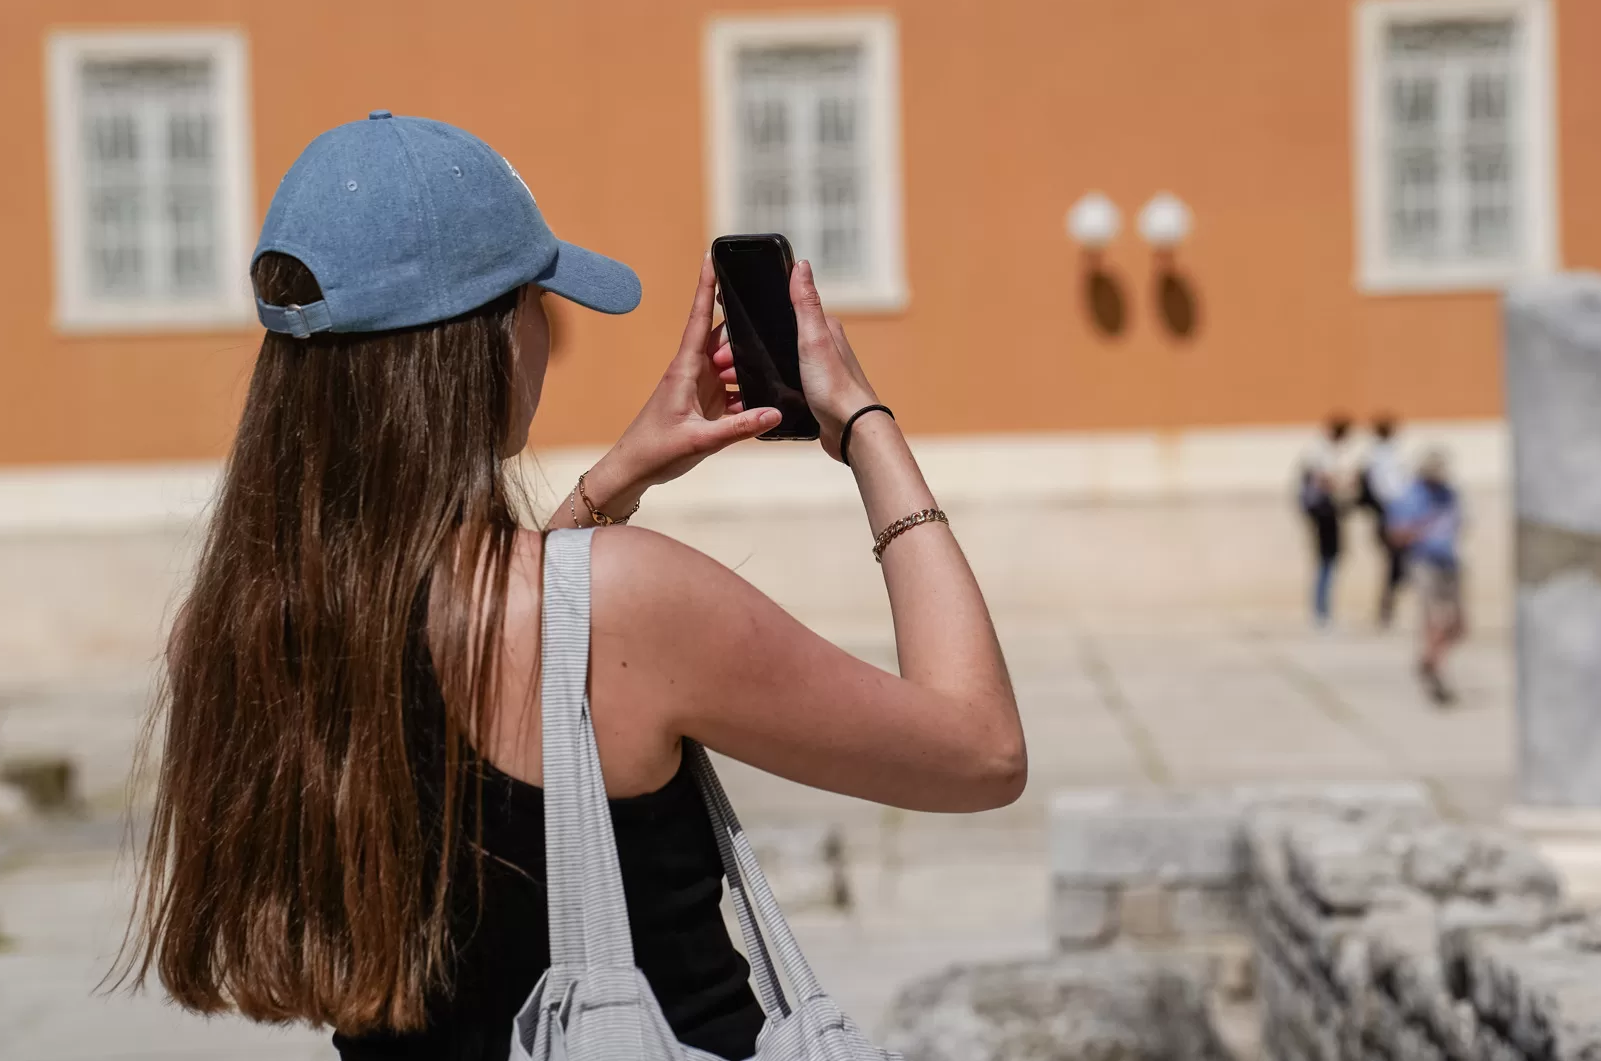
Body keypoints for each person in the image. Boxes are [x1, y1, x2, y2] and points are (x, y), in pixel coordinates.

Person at [119, 114, 1025, 1060]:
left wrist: (614, 479)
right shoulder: (627, 601)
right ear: (488, 340)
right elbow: (982, 750)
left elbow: (480, 647)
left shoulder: (229, 634)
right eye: (537, 302)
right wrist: (866, 424)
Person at [1387, 448, 1465, 706]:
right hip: (1424, 562)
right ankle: (1434, 669)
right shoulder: (1411, 496)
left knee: (1458, 624)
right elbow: (1396, 534)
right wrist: (1420, 528)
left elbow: (1459, 523)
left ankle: (1428, 662)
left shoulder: (1449, 494)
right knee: (1433, 619)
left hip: (1449, 561)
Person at [1298, 415, 1353, 629]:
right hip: (1324, 512)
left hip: (1329, 512)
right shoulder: (1320, 451)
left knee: (1329, 560)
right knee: (1326, 560)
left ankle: (1323, 608)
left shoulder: (1328, 451)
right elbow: (1324, 479)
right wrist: (1342, 484)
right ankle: (1321, 610)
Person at [1357, 415, 1411, 628]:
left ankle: (1388, 608)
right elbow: (1390, 488)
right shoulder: (1382, 456)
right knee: (1395, 563)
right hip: (1391, 514)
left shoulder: (1379, 455)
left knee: (1397, 564)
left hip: (1392, 513)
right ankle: (1386, 609)